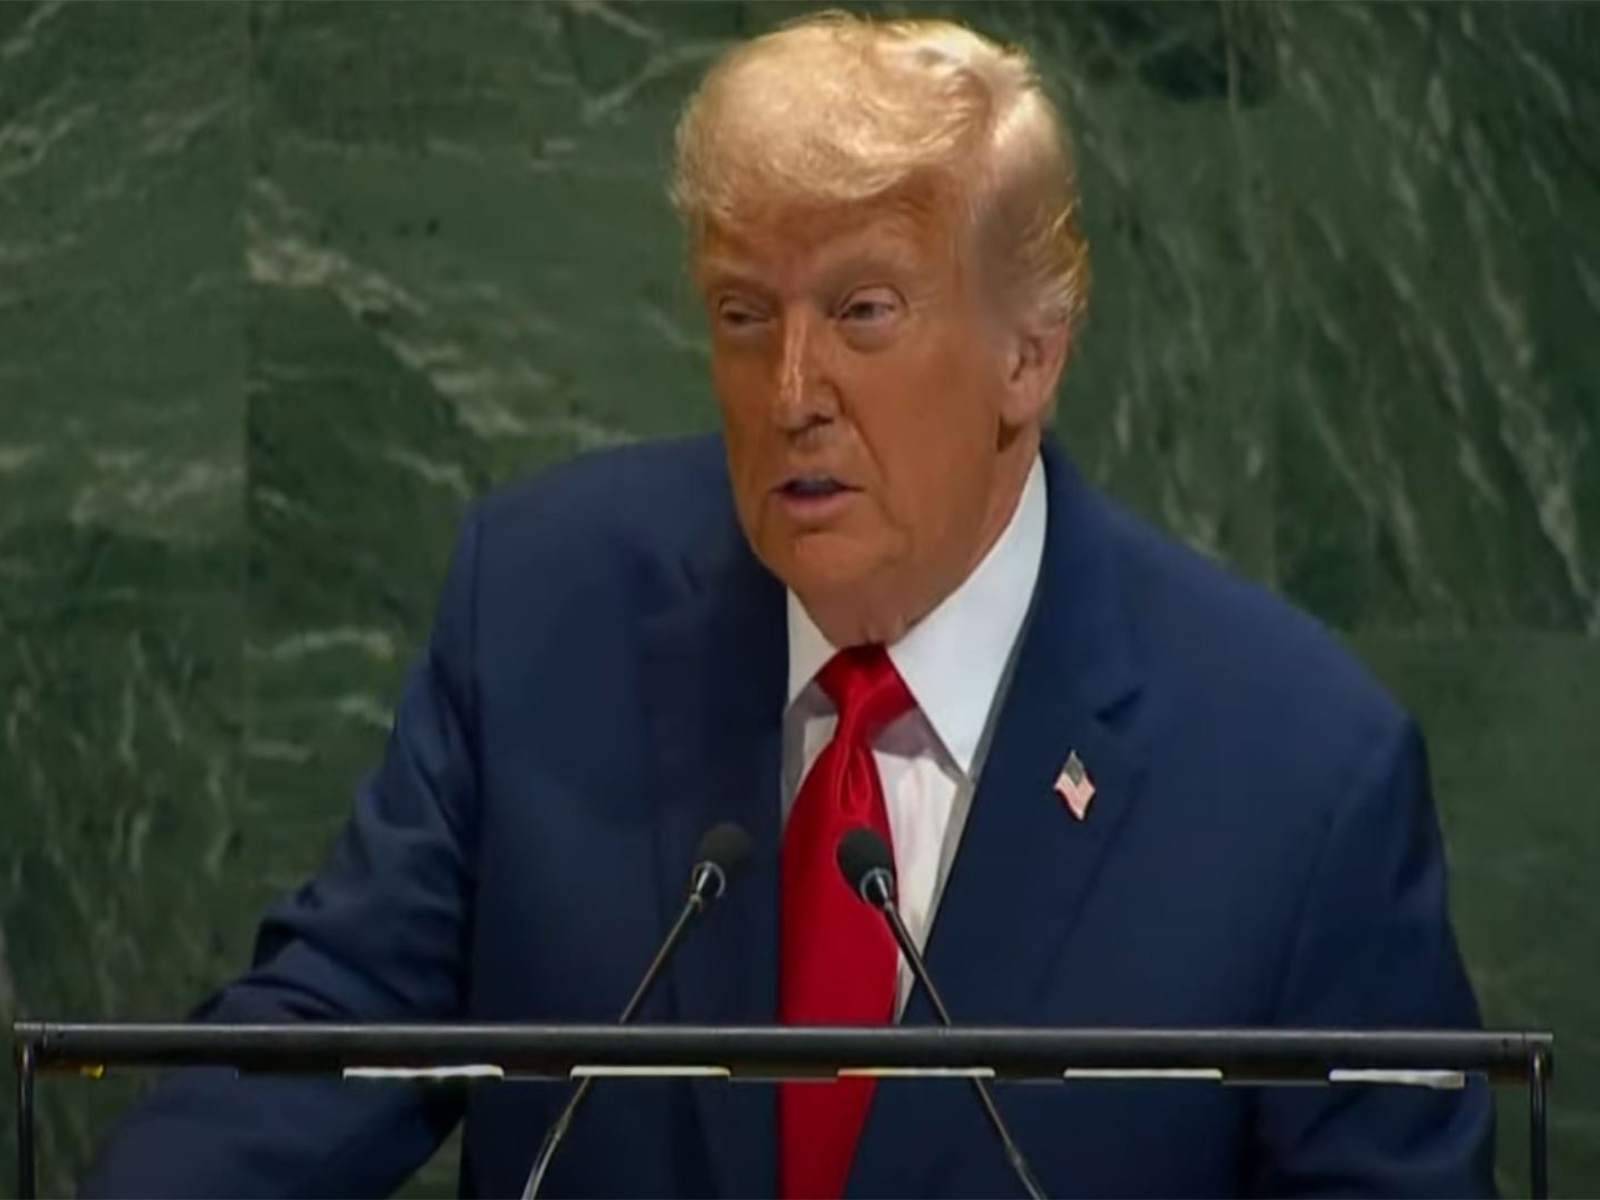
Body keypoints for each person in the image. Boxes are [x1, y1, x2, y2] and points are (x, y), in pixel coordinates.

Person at [86, 12, 1494, 1198]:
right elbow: (327, 1041)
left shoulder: (1300, 776)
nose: (792, 391)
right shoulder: (542, 611)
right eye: (745, 315)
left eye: (865, 312)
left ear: (1031, 357)